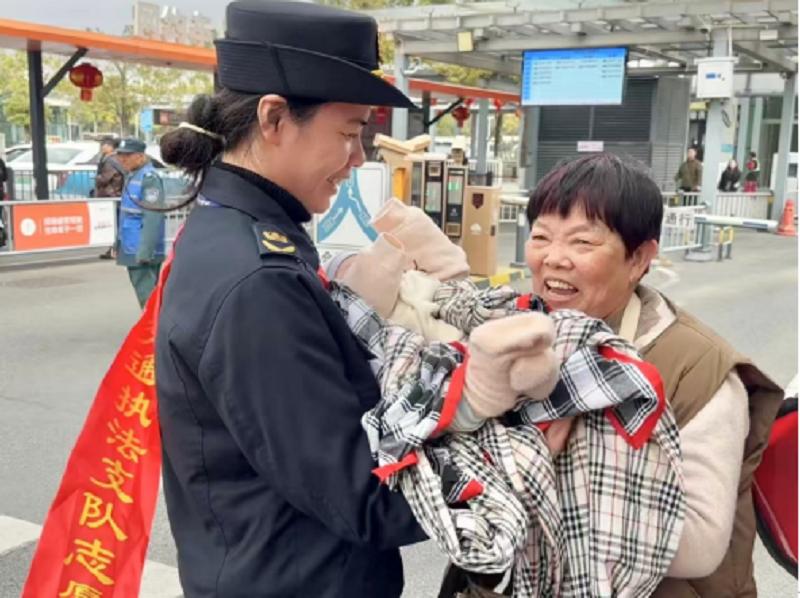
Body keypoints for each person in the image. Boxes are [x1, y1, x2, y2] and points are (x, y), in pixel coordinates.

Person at [151, 2, 468, 595]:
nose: (359, 157)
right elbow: (363, 495)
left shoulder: (235, 232)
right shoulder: (258, 282)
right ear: (274, 117)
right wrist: (511, 448)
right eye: (349, 133)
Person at [524, 153, 782, 597]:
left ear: (639, 258)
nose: (554, 259)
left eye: (582, 242)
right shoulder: (519, 336)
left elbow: (698, 545)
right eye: (541, 237)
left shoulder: (697, 371)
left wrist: (534, 476)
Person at [114, 137, 165, 308]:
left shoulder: (149, 178)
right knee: (150, 298)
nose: (122, 160)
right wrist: (118, 243)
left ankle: (154, 326)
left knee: (148, 298)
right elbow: (126, 214)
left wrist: (145, 251)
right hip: (130, 244)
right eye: (120, 155)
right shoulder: (132, 175)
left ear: (140, 156)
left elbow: (153, 216)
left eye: (127, 156)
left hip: (140, 248)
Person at [95, 136, 126, 259]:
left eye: (103, 144)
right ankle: (115, 249)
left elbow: (104, 179)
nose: (101, 147)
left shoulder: (109, 160)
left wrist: (97, 178)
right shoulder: (117, 159)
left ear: (109, 146)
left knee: (114, 225)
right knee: (116, 224)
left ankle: (115, 250)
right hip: (117, 195)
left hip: (111, 195)